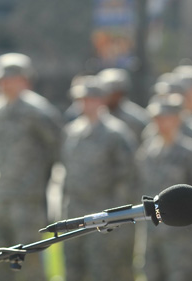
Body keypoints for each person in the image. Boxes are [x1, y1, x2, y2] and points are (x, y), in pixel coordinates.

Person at [0, 52, 62, 281]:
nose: (2, 84)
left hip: (28, 200)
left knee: (30, 263)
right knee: (1, 260)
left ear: (23, 79)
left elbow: (56, 151)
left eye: (8, 78)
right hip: (0, 197)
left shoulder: (38, 112)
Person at [60, 77, 138, 281]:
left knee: (103, 271)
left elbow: (127, 178)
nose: (85, 103)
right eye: (81, 99)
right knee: (74, 269)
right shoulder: (72, 131)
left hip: (103, 213)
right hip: (75, 211)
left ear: (102, 100)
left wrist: (116, 218)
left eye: (91, 98)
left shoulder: (115, 133)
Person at [136, 94, 192, 281]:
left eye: (165, 117)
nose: (160, 123)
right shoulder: (148, 152)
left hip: (181, 239)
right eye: (157, 118)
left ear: (177, 119)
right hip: (153, 236)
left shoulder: (190, 153)